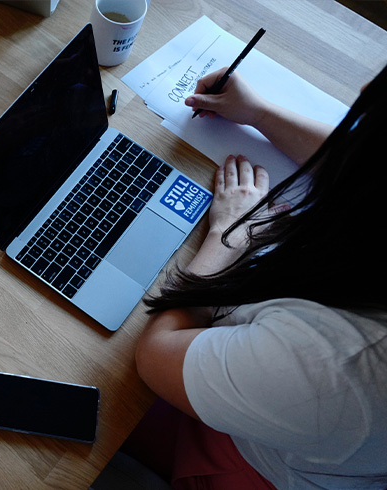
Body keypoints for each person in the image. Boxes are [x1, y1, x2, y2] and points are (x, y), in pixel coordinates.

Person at [128, 64, 387, 490]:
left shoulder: (337, 362)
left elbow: (155, 354)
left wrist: (232, 231)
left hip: (248, 459)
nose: (364, 84)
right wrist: (260, 113)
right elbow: (366, 167)